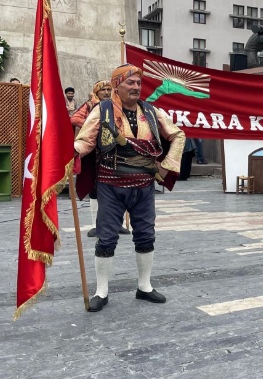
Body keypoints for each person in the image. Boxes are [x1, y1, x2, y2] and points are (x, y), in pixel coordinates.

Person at [74, 64, 185, 312]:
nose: (136, 87)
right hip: (110, 184)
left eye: (138, 83)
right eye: (130, 83)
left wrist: (166, 166)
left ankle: (144, 286)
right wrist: (71, 152)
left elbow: (178, 135)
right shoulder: (101, 111)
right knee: (106, 237)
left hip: (144, 186)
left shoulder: (151, 111)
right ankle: (101, 291)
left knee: (146, 234)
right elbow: (85, 141)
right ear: (117, 85)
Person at [70, 80, 123, 238]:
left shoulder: (117, 104)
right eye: (103, 90)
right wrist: (93, 125)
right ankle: (96, 225)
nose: (107, 92)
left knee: (119, 188)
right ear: (96, 92)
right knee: (95, 189)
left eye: (109, 89)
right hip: (94, 153)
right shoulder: (89, 105)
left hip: (114, 152)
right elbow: (74, 119)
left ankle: (117, 224)